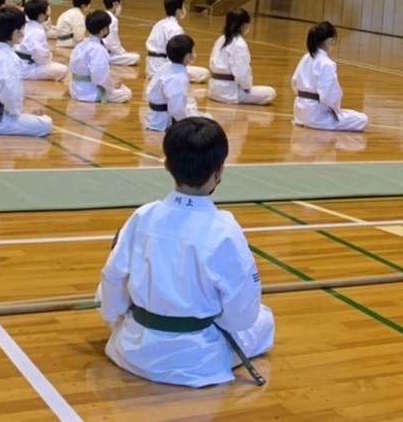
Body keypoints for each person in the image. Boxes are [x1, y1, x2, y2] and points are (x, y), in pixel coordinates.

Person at [100, 117, 274, 387]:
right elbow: (242, 314)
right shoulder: (225, 229)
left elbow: (112, 280)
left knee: (109, 290)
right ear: (219, 172)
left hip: (134, 350)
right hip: (198, 359)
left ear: (167, 165)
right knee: (264, 319)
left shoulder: (143, 215)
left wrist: (117, 316)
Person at [0, 6, 54, 138]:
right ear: (16, 32)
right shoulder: (9, 58)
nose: (23, 34)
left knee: (27, 116)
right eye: (22, 30)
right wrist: (19, 112)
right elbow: (10, 93)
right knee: (45, 123)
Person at [291, 21, 368, 132]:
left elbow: (294, 82)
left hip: (299, 112)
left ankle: (308, 118)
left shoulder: (306, 57)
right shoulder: (327, 63)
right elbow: (329, 96)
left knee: (349, 115)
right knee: (362, 119)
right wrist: (336, 110)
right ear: (330, 41)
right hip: (317, 117)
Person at [208, 9, 275, 106]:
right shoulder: (239, 44)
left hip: (214, 89)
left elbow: (211, 63)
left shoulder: (221, 39)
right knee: (270, 92)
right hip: (230, 92)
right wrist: (246, 87)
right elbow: (241, 74)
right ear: (244, 25)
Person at [70, 10, 131, 104]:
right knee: (126, 93)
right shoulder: (98, 49)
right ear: (103, 30)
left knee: (115, 83)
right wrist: (111, 85)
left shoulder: (81, 45)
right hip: (89, 93)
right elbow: (99, 76)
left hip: (75, 88)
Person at [146, 0, 209, 84]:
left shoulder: (159, 23)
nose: (184, 10)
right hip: (164, 68)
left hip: (151, 67)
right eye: (183, 7)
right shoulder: (175, 28)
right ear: (179, 11)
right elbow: (177, 54)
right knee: (204, 73)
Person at [144, 35, 202, 133]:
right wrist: (187, 123)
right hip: (165, 120)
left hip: (156, 115)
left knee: (191, 104)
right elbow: (176, 110)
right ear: (188, 56)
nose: (194, 53)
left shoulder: (167, 66)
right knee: (205, 123)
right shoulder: (178, 78)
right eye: (193, 50)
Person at [15, 0, 69, 82]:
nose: (47, 14)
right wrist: (49, 58)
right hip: (26, 68)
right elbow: (41, 59)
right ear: (41, 15)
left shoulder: (24, 26)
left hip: (18, 63)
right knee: (63, 69)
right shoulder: (38, 32)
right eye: (46, 12)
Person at [101, 0, 142, 67]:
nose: (121, 8)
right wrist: (122, 52)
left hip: (101, 50)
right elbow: (111, 43)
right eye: (120, 5)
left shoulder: (103, 14)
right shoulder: (113, 20)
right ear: (115, 4)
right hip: (106, 53)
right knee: (136, 57)